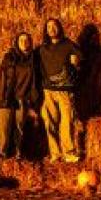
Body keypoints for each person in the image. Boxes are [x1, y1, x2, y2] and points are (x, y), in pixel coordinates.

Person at [38, 18, 82, 163]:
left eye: (54, 26)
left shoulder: (69, 44)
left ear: (59, 28)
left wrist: (75, 63)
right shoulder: (42, 48)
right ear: (46, 30)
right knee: (49, 121)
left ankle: (68, 153)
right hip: (48, 90)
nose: (51, 29)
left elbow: (78, 60)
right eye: (48, 26)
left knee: (67, 121)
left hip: (65, 90)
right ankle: (55, 153)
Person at [0, 32, 39, 159]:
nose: (24, 43)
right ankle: (2, 153)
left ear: (31, 42)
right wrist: (1, 98)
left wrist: (33, 101)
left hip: (22, 98)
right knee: (4, 127)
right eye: (21, 40)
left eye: (27, 40)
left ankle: (17, 153)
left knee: (19, 128)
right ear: (16, 43)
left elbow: (35, 83)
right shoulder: (9, 57)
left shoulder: (33, 60)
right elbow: (2, 78)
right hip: (7, 97)